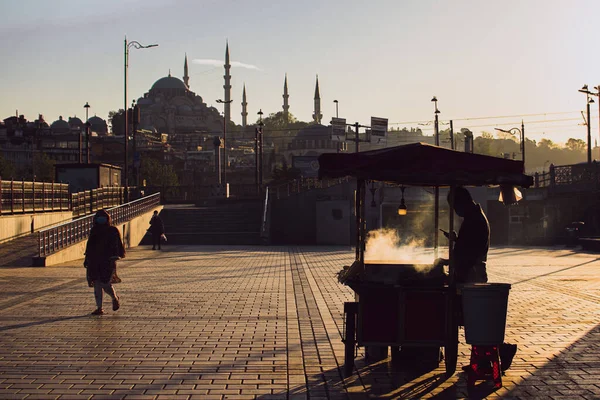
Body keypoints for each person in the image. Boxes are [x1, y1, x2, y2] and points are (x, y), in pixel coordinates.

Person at [441, 186, 517, 374]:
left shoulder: (474, 220)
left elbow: (468, 253)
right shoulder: (474, 217)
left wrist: (449, 261)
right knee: (476, 319)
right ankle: (483, 361)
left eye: (455, 207)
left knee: (476, 319)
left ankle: (502, 350)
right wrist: (457, 240)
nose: (455, 212)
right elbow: (468, 245)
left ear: (462, 202)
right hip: (472, 271)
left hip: (472, 274)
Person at [84, 209, 125, 316]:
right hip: (94, 261)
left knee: (105, 282)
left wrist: (115, 256)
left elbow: (117, 245)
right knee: (96, 283)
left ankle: (114, 297)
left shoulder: (112, 230)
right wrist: (87, 259)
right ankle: (99, 307)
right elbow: (90, 246)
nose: (101, 219)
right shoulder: (94, 230)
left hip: (107, 261)